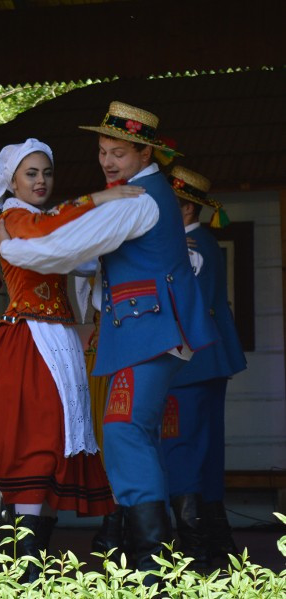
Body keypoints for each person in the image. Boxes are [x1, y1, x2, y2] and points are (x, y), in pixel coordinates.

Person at [0, 102, 219, 580]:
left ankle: (152, 569)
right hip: (144, 333)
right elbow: (90, 258)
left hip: (147, 332)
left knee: (123, 434)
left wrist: (10, 245)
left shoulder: (137, 200)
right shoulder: (145, 197)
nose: (108, 162)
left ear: (145, 152)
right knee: (133, 437)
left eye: (119, 152)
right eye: (102, 151)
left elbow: (60, 248)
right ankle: (153, 564)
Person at [0, 139, 141, 574]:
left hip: (59, 342)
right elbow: (50, 236)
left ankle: (28, 563)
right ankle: (23, 565)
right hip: (27, 345)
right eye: (31, 174)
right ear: (12, 181)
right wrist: (100, 197)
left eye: (46, 173)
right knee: (34, 444)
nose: (40, 181)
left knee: (55, 444)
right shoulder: (16, 217)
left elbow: (83, 257)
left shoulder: (49, 222)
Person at [161, 166, 247, 566]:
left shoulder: (189, 248)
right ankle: (219, 545)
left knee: (181, 450)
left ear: (185, 208)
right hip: (211, 360)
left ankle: (194, 551)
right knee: (207, 452)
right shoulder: (204, 243)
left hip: (187, 364)